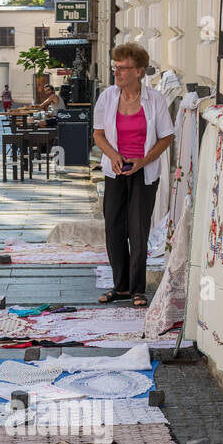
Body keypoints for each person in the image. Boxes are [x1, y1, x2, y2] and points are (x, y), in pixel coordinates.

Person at [92, 42, 174, 309]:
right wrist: (114, 156)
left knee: (138, 230)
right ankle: (121, 286)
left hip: (143, 171)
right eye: (115, 67)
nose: (117, 72)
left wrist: (143, 161)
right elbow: (98, 134)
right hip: (115, 170)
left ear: (139, 71)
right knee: (114, 228)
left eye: (123, 68)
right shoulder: (107, 97)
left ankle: (138, 288)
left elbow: (166, 137)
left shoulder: (155, 100)